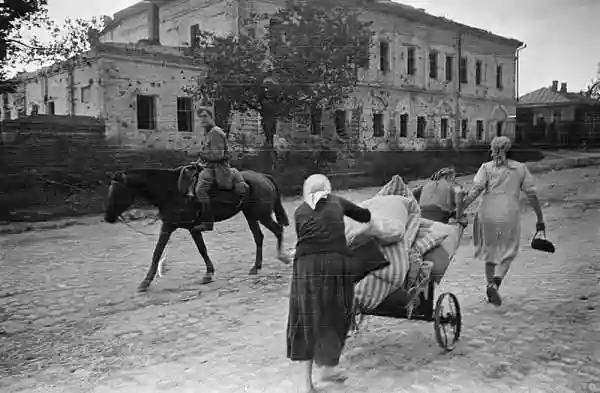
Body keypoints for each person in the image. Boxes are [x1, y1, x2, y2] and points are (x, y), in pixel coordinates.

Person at [287, 174, 372, 393]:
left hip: (305, 269)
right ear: (327, 189)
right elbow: (365, 216)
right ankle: (328, 367)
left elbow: (307, 239)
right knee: (337, 315)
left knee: (306, 319)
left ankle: (309, 382)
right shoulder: (337, 201)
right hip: (335, 266)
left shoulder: (299, 210)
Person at [462, 136, 546, 306]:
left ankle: (489, 289)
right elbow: (531, 194)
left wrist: (459, 209)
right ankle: (496, 283)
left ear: (493, 151)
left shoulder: (486, 168)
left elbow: (475, 191)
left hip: (486, 213)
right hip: (507, 214)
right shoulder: (520, 169)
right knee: (508, 253)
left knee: (490, 254)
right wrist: (540, 218)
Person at [187, 107, 247, 231]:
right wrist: (197, 162)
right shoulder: (208, 133)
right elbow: (206, 153)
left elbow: (218, 156)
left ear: (211, 118)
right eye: (200, 118)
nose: (202, 120)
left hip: (217, 168)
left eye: (205, 116)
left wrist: (199, 154)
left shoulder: (216, 132)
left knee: (200, 190)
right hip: (208, 166)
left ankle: (208, 222)